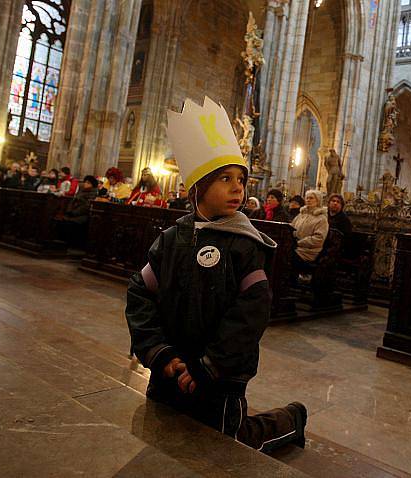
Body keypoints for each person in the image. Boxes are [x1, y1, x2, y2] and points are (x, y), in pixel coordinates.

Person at [126, 96, 306, 453]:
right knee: (164, 437)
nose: (238, 187)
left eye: (241, 179)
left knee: (228, 445)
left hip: (220, 378)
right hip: (171, 370)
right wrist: (158, 353)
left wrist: (211, 365)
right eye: (226, 178)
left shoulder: (244, 245)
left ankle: (292, 419)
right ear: (198, 188)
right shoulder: (171, 240)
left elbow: (250, 315)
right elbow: (140, 294)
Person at [55, 175, 99, 248]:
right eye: (85, 182)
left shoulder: (93, 193)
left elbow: (86, 206)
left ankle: (70, 244)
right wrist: (69, 210)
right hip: (73, 212)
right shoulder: (81, 191)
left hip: (83, 215)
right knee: (61, 221)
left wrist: (74, 212)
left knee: (70, 223)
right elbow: (73, 201)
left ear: (92, 184)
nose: (85, 184)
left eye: (88, 183)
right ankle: (61, 243)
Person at [291, 189, 329, 268]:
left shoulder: (321, 218)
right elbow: (291, 228)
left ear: (318, 200)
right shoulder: (301, 215)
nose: (308, 200)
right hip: (295, 247)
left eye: (311, 198)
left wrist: (299, 243)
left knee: (285, 257)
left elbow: (318, 239)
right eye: (307, 198)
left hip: (308, 252)